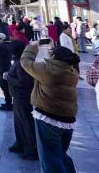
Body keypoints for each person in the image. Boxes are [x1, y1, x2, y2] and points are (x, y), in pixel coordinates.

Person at [20, 42, 80, 173]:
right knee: (60, 155)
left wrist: (32, 47)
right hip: (68, 120)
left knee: (50, 160)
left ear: (54, 57)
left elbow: (25, 62)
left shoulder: (49, 71)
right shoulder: (73, 71)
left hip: (49, 119)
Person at [6, 41, 37, 160]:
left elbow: (24, 83)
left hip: (23, 97)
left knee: (26, 122)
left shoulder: (21, 63)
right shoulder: (18, 61)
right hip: (18, 96)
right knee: (18, 122)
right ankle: (20, 143)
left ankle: (32, 149)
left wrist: (8, 77)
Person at [0, 32, 13, 111]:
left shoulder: (3, 47)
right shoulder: (3, 46)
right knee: (4, 87)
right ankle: (8, 102)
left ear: (0, 39)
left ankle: (9, 104)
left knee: (5, 87)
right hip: (2, 69)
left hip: (4, 70)